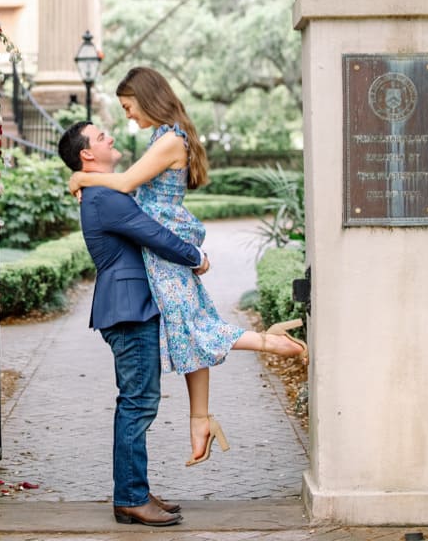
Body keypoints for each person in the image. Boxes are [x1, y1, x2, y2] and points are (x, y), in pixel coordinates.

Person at [68, 66, 306, 467]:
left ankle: (271, 343)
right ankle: (202, 420)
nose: (127, 116)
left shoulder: (170, 139)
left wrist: (81, 177)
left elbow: (125, 184)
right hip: (163, 251)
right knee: (189, 326)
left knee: (192, 326)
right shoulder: (163, 136)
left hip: (165, 251)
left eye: (128, 107)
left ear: (147, 98)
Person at [57, 119, 207, 526]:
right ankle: (130, 497)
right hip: (128, 309)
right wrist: (196, 257)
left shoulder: (101, 191)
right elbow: (152, 233)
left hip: (130, 307)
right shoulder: (106, 198)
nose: (110, 136)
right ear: (88, 154)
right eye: (101, 136)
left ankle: (134, 487)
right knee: (138, 402)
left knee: (139, 400)